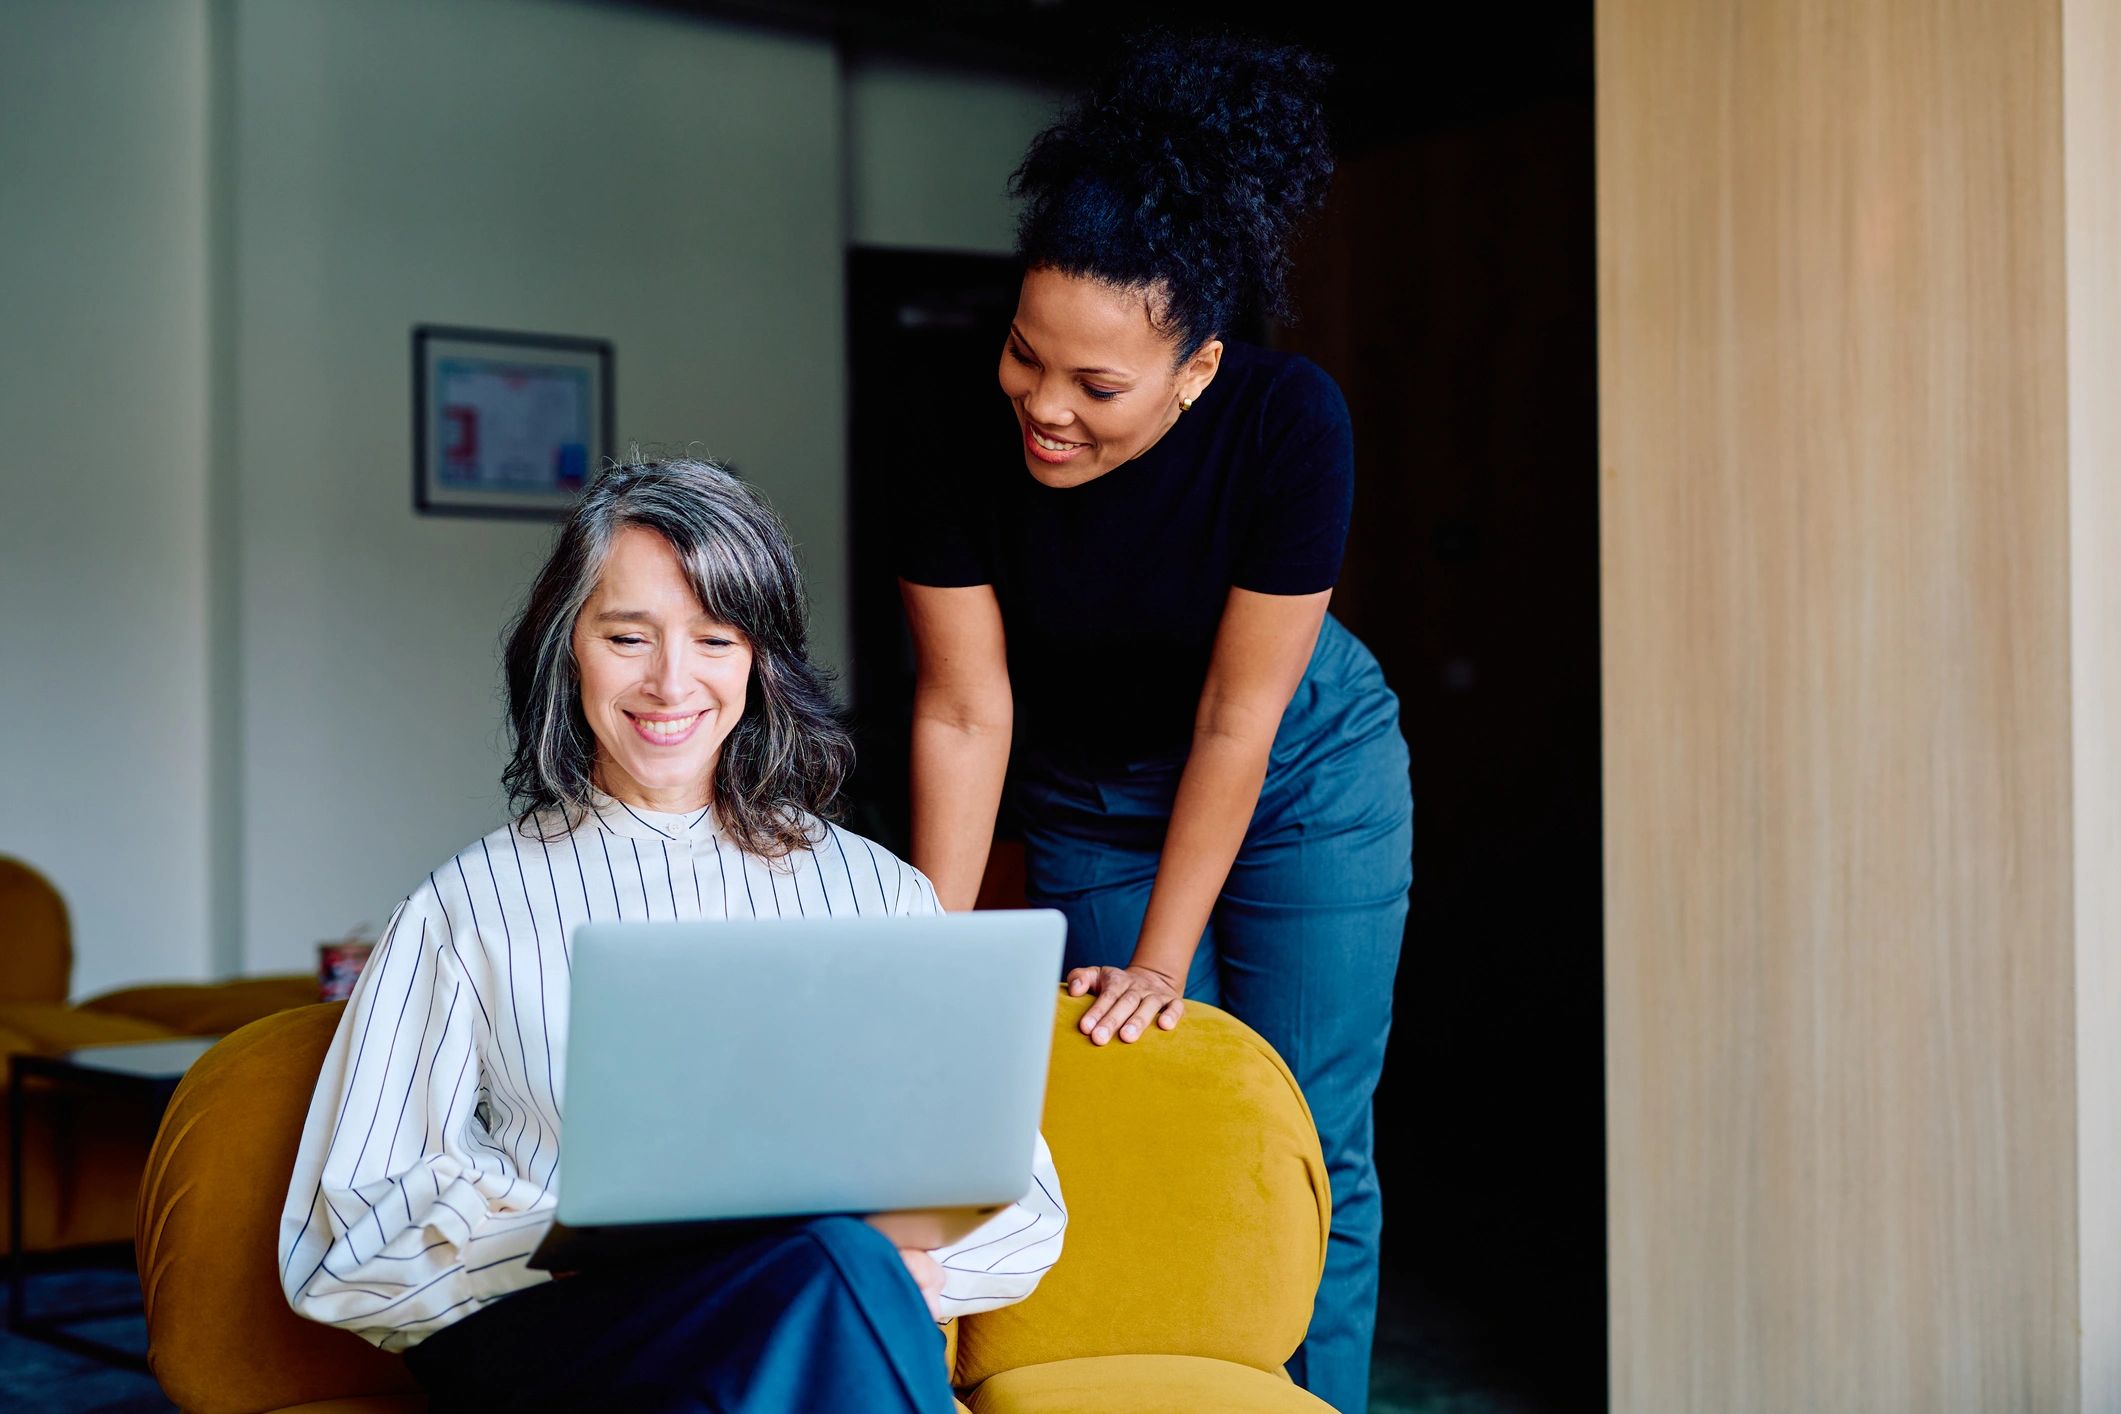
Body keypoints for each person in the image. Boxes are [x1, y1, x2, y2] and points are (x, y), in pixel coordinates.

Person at [279, 457, 1064, 1413]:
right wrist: (556, 1245)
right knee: (828, 1275)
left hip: (793, 1329)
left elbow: (1021, 1207)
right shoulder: (466, 905)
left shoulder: (878, 893)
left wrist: (887, 1263)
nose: (670, 682)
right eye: (626, 636)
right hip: (556, 1340)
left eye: (715, 639)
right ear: (567, 647)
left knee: (827, 1275)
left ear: (760, 661)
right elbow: (345, 1244)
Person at [896, 33, 1410, 1413]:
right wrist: (930, 963)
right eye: (1025, 355)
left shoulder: (1289, 424)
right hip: (1086, 788)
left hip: (1302, 769)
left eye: (1097, 387)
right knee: (1145, 1113)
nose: (1045, 408)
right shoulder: (951, 430)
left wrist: (1164, 958)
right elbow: (962, 705)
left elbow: (1240, 716)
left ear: (1194, 371)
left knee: (1301, 1131)